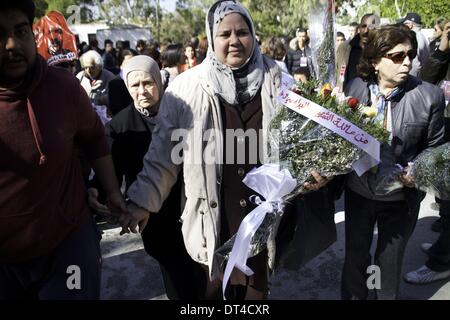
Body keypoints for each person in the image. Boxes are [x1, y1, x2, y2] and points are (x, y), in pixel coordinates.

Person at [119, 0, 331, 300]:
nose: (234, 40)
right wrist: (142, 201)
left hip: (261, 221)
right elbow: (163, 156)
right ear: (212, 38)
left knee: (254, 298)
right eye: (224, 34)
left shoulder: (279, 82)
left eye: (242, 32)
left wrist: (314, 171)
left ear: (253, 35)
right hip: (211, 220)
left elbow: (301, 143)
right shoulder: (186, 88)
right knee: (210, 296)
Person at [0, 0, 126, 299]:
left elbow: (95, 139)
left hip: (68, 247)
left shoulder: (65, 88)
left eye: (20, 31)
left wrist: (113, 192)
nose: (11, 45)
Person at [342, 24, 445, 300]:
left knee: (386, 268)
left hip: (401, 200)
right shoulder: (356, 87)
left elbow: (436, 150)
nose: (408, 62)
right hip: (358, 193)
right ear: (376, 61)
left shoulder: (429, 97)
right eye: (397, 57)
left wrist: (418, 171)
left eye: (410, 55)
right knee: (355, 261)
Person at [88, 55, 205, 299]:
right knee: (179, 283)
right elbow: (110, 168)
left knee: (205, 279)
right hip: (156, 218)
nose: (142, 91)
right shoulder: (120, 126)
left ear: (159, 82)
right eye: (135, 85)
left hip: (193, 210)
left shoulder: (184, 112)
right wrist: (97, 190)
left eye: (148, 83)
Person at [404, 21, 450, 284]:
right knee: (446, 200)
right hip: (445, 132)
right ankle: (442, 247)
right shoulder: (444, 50)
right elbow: (427, 79)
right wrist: (443, 47)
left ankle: (440, 262)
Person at [336, 13, 381, 92]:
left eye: (370, 27)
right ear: (359, 28)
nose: (366, 31)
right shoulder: (345, 48)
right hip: (347, 99)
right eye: (363, 26)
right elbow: (339, 73)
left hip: (373, 99)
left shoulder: (380, 50)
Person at [399, 12, 430, 77]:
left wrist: (409, 81)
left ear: (410, 25)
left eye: (404, 24)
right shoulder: (421, 36)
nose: (402, 26)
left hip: (415, 79)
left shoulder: (415, 37)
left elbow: (414, 64)